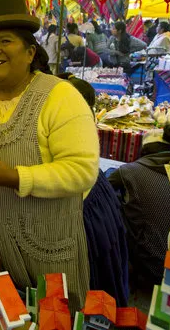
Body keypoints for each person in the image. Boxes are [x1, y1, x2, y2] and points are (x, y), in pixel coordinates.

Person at [0, 0, 99, 311]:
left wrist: (16, 177)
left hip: (44, 251)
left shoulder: (60, 97)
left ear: (30, 51)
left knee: (50, 317)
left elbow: (82, 171)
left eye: (5, 40)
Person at [58, 72, 130, 307]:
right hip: (95, 200)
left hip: (83, 208)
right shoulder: (79, 117)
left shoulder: (67, 119)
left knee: (91, 281)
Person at [108, 125, 170, 292]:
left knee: (113, 199)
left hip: (150, 265)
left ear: (145, 151)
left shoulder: (129, 171)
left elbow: (102, 191)